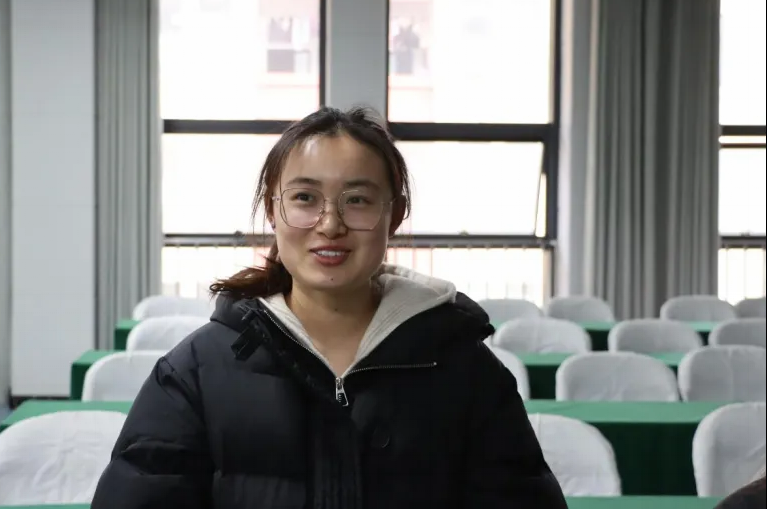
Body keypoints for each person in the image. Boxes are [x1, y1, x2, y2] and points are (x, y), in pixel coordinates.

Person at [91, 107, 567, 509]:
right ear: (273, 211)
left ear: (394, 215)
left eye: (357, 200)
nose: (330, 224)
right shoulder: (195, 371)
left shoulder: (466, 370)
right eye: (305, 198)